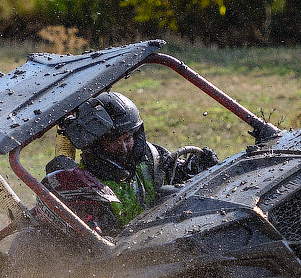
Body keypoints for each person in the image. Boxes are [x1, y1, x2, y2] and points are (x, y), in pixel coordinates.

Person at [40, 92, 219, 236]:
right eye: (114, 141)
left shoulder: (151, 158)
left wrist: (198, 167)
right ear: (94, 145)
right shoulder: (83, 187)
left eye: (127, 138)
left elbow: (179, 175)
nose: (124, 148)